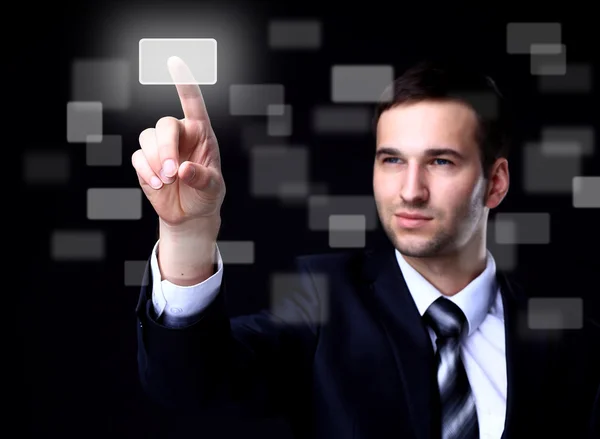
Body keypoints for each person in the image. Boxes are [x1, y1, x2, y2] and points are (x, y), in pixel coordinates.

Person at [132, 56, 599, 439]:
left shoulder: (572, 346)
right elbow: (189, 386)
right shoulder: (323, 300)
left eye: (440, 161)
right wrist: (188, 234)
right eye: (392, 160)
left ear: (495, 183)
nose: (410, 190)